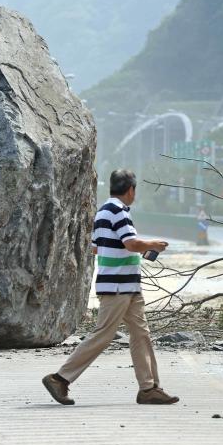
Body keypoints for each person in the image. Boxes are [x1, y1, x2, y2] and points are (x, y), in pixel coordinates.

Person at [42, 169, 179, 406]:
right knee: (103, 334)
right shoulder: (118, 211)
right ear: (131, 190)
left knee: (141, 334)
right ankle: (60, 378)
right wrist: (153, 244)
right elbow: (131, 242)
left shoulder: (104, 211)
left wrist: (137, 250)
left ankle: (149, 388)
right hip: (118, 286)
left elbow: (98, 247)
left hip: (127, 285)